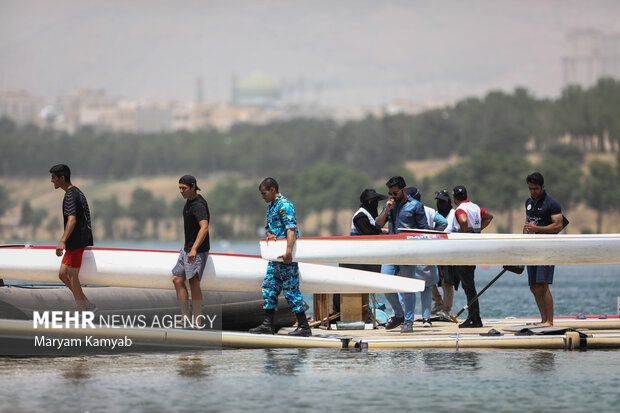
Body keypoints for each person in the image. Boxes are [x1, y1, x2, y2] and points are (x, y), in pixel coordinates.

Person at [250, 177, 311, 337]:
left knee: (290, 289)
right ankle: (268, 324)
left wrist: (289, 251)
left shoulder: (284, 205)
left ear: (272, 190)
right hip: (274, 257)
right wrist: (270, 234)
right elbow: (270, 229)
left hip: (285, 256)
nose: (262, 197)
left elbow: (291, 229)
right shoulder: (271, 207)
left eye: (264, 193)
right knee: (269, 287)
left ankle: (304, 326)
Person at [375, 176, 429, 333]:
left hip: (408, 252)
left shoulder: (416, 206)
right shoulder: (390, 205)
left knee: (407, 287)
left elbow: (424, 229)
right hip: (391, 250)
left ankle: (408, 320)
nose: (393, 196)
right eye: (391, 193)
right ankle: (399, 313)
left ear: (404, 190)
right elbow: (378, 223)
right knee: (384, 283)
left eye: (396, 193)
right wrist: (386, 210)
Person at [49, 164, 95, 313]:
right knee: (63, 274)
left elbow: (72, 220)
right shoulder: (77, 192)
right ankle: (87, 304)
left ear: (62, 178)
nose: (52, 180)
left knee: (72, 275)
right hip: (76, 241)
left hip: (76, 241)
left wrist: (62, 241)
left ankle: (83, 310)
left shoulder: (70, 195)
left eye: (54, 177)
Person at [335, 189, 387, 313]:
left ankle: (364, 311)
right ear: (369, 201)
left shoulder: (369, 214)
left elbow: (373, 228)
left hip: (364, 256)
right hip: (354, 258)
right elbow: (368, 233)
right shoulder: (361, 215)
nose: (376, 204)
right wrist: (382, 232)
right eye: (375, 201)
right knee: (350, 287)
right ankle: (342, 312)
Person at [451, 185, 493, 328]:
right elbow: (489, 217)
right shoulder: (475, 207)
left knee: (468, 286)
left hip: (464, 251)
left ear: (454, 198)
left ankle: (475, 318)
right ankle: (474, 317)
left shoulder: (460, 209)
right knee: (470, 285)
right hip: (474, 250)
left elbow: (462, 220)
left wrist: (464, 236)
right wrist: (477, 231)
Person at [524, 172, 563, 327]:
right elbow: (527, 223)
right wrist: (523, 241)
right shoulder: (528, 202)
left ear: (542, 187)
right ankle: (542, 320)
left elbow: (558, 225)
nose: (533, 192)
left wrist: (537, 228)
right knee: (534, 287)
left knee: (543, 285)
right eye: (530, 189)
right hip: (531, 249)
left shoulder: (552, 203)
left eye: (535, 189)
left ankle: (549, 321)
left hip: (546, 249)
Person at [171, 175, 210, 329]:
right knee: (177, 279)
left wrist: (194, 248)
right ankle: (185, 318)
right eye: (179, 188)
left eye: (184, 188)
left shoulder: (198, 205)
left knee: (194, 283)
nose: (181, 191)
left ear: (193, 187)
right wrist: (187, 244)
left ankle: (198, 322)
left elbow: (204, 227)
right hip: (187, 249)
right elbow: (192, 229)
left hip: (197, 251)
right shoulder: (189, 203)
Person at [406, 187, 446, 327]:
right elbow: (444, 223)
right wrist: (433, 234)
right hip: (427, 251)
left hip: (410, 252)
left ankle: (405, 318)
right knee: (427, 288)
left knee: (407, 288)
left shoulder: (404, 210)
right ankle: (426, 319)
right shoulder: (429, 210)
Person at [431, 190, 458, 320]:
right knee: (429, 277)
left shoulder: (454, 214)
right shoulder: (435, 215)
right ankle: (438, 302)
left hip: (449, 251)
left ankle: (446, 310)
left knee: (447, 282)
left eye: (443, 201)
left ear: (448, 202)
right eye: (438, 200)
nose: (440, 203)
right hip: (435, 250)